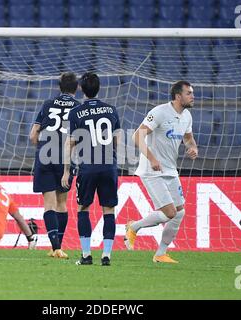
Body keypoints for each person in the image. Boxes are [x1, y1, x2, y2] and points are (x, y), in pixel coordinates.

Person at [125, 80, 198, 263]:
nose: (192, 96)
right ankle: (134, 227)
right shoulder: (159, 112)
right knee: (170, 212)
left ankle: (160, 254)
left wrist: (192, 148)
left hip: (170, 170)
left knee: (179, 212)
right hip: (152, 170)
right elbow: (137, 136)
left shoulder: (187, 116)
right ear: (178, 96)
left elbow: (189, 139)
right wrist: (152, 158)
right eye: (189, 93)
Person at [62, 72, 121, 266]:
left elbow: (69, 144)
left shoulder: (76, 112)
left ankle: (86, 255)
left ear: (81, 89)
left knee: (83, 208)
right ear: (99, 88)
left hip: (87, 167)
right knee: (109, 210)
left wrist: (65, 171)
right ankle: (106, 256)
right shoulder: (111, 110)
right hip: (108, 166)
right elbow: (117, 141)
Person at [29, 72, 80, 259]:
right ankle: (58, 247)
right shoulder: (79, 107)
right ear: (77, 88)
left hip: (45, 154)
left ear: (59, 87)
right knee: (61, 203)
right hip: (66, 157)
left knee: (48, 204)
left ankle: (54, 247)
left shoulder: (48, 104)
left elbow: (33, 135)